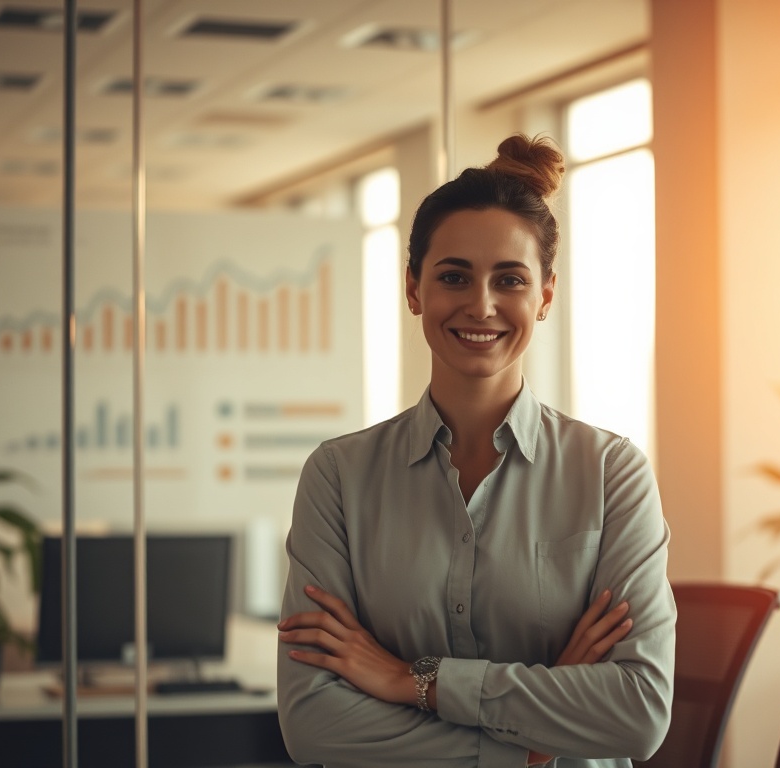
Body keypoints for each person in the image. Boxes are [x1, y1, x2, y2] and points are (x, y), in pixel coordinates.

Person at [276, 133, 676, 767]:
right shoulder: (338, 477)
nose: (481, 304)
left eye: (509, 279)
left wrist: (412, 680)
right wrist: (533, 745)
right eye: (454, 276)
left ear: (544, 296)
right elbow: (313, 723)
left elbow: (638, 710)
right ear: (414, 290)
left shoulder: (609, 473)